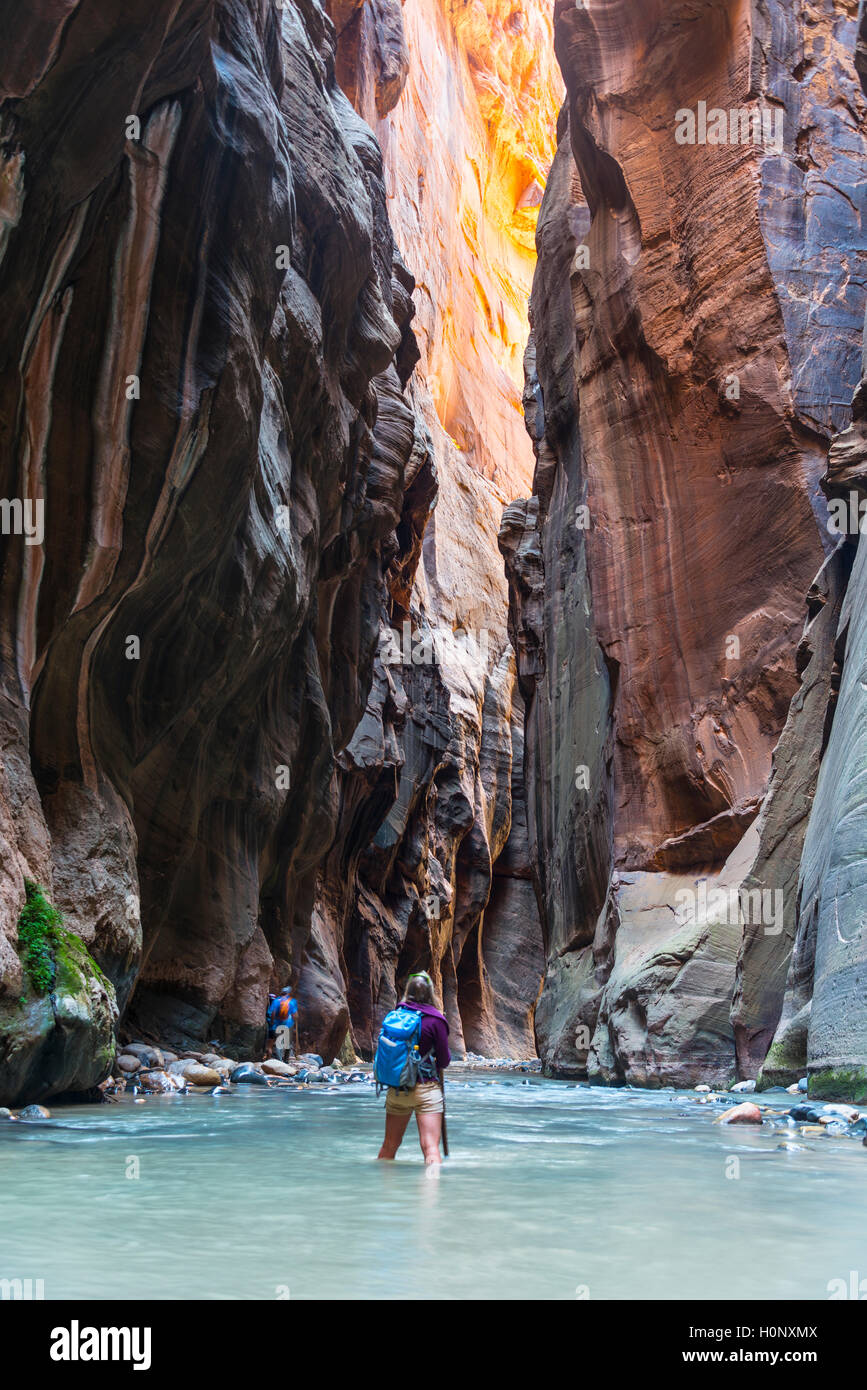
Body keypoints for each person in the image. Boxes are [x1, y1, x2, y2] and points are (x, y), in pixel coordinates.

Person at [377, 971, 450, 1166]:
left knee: (389, 1146)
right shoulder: (436, 1021)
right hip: (426, 1090)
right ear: (431, 993)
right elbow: (444, 1061)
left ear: (406, 992)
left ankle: (382, 1192)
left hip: (398, 1088)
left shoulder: (395, 1017)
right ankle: (431, 1194)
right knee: (430, 1149)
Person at [265, 985, 297, 1060]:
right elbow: (294, 1015)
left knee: (271, 1044)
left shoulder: (276, 1001)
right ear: (288, 993)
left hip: (275, 1026)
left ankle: (271, 1060)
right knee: (286, 1043)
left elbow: (272, 1013)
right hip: (286, 1025)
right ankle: (285, 1060)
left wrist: (272, 1023)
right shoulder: (291, 1002)